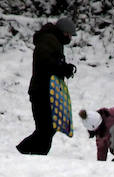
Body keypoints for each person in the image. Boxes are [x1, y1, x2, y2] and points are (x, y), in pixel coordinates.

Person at [16, 16, 76, 156]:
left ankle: (32, 155)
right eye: (69, 34)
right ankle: (25, 153)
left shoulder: (53, 41)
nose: (70, 38)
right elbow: (45, 63)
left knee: (47, 128)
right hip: (41, 92)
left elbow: (51, 63)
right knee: (46, 129)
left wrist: (63, 68)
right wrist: (62, 68)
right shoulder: (48, 40)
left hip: (46, 91)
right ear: (63, 32)